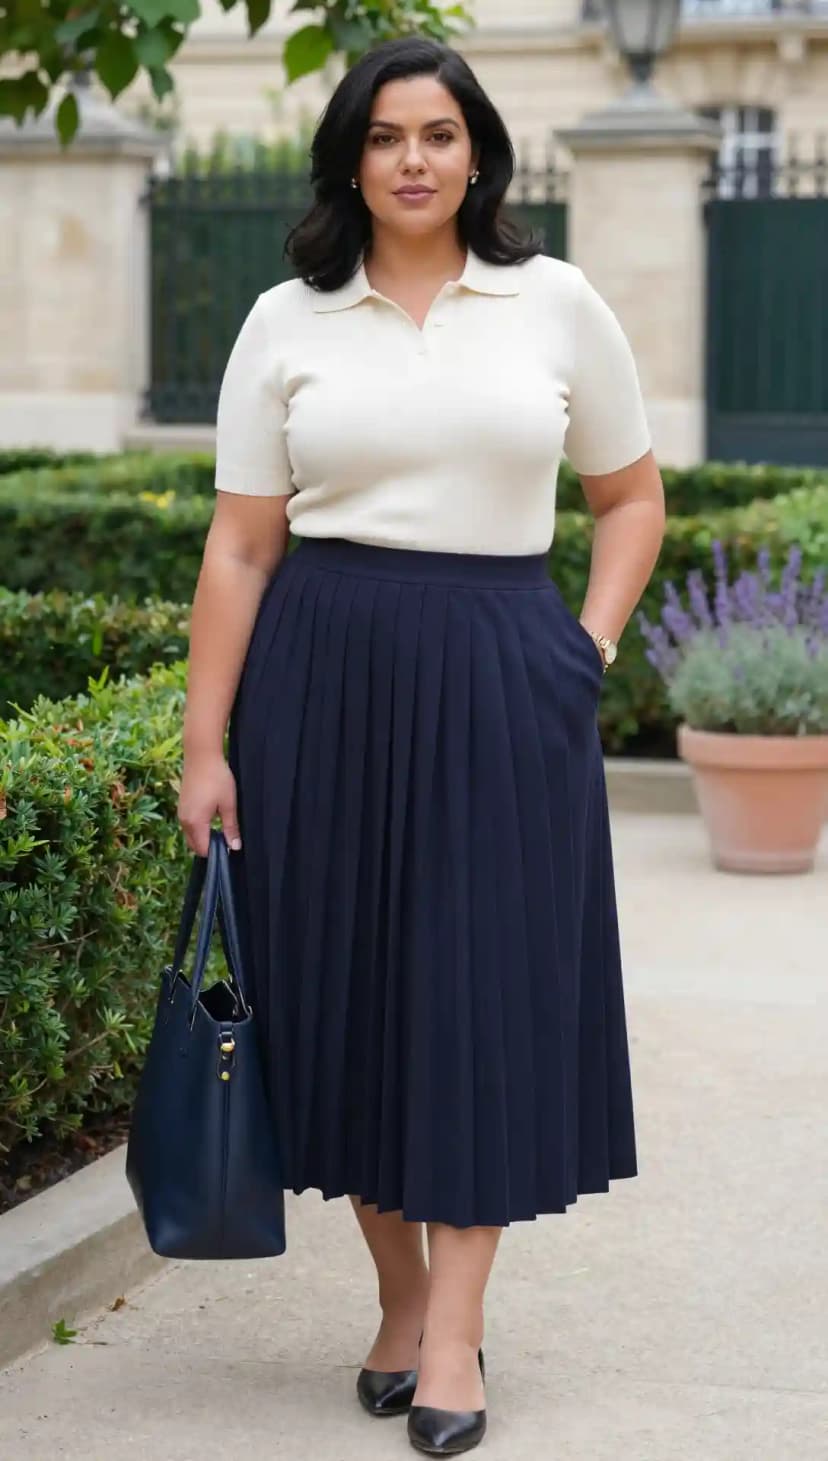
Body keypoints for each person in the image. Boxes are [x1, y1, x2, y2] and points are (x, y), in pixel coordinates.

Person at [177, 33, 666, 1457]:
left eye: (439, 135)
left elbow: (631, 500)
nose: (412, 160)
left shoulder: (556, 302)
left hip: (506, 680)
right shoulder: (286, 320)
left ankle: (454, 1331)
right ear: (350, 158)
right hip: (320, 682)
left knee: (478, 1000)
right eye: (386, 135)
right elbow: (240, 545)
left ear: (478, 154)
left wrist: (585, 648)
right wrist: (207, 744)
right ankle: (400, 1299)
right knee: (342, 1003)